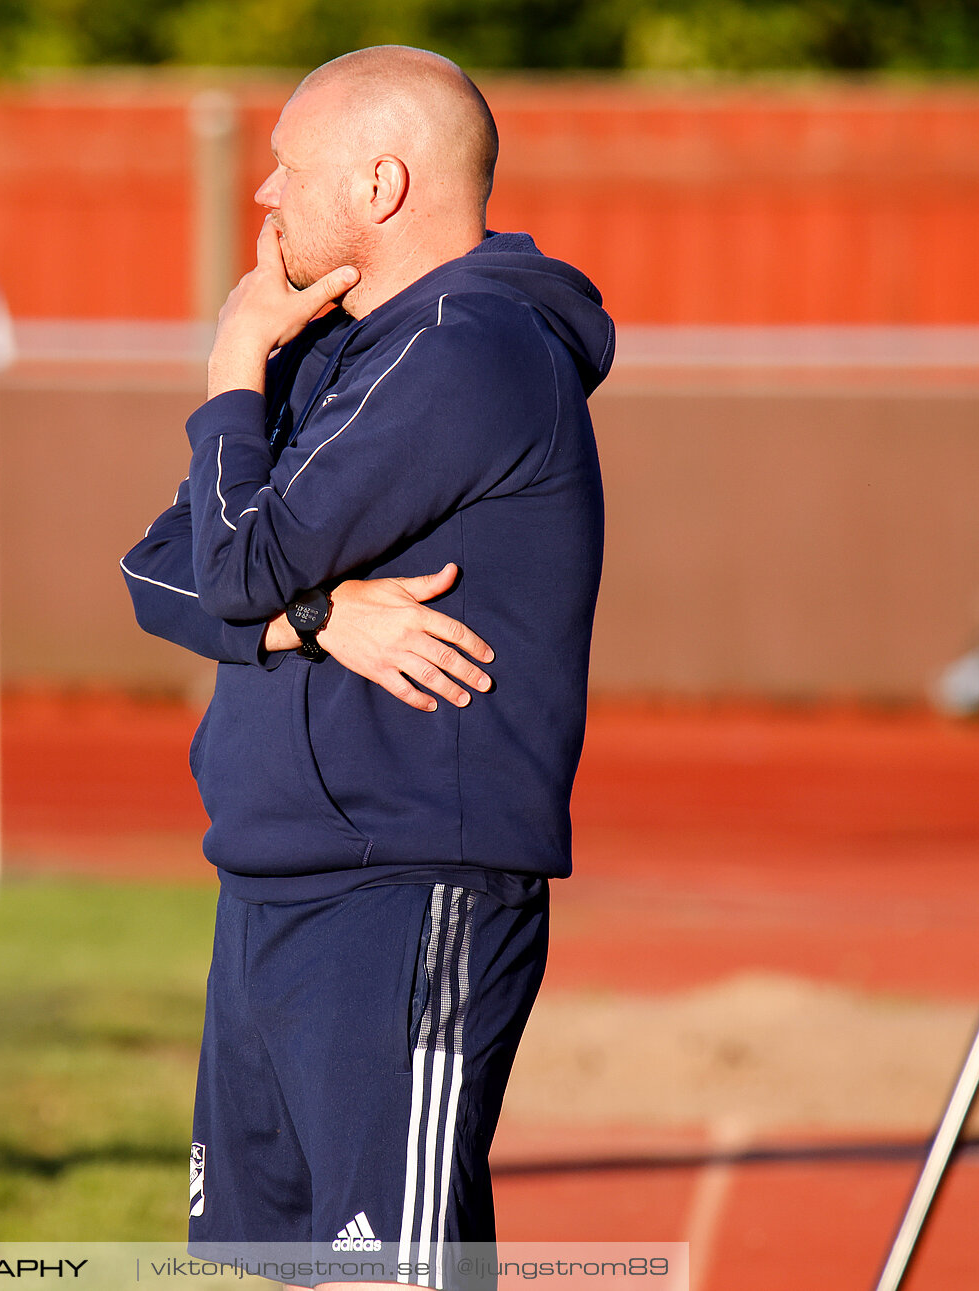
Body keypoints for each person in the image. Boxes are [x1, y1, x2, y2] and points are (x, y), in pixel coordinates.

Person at [121, 46, 611, 1287]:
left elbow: (228, 573)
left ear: (382, 184)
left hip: (405, 884)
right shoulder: (334, 345)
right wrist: (323, 614)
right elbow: (158, 569)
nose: (264, 199)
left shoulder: (475, 347)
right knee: (262, 1270)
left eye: (288, 170)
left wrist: (234, 361)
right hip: (273, 873)